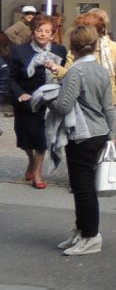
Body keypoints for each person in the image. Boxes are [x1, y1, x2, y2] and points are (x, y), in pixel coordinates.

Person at [50, 25, 116, 256]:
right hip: (99, 132)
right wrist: (111, 134)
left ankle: (90, 235)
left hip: (82, 133)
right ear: (96, 44)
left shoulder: (75, 71)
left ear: (72, 47)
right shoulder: (101, 70)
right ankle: (82, 231)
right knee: (83, 186)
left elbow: (63, 106)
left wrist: (48, 96)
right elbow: (108, 106)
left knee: (83, 187)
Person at [9, 14, 66, 189]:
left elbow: (66, 73)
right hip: (26, 100)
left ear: (52, 34)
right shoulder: (20, 51)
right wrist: (20, 94)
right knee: (25, 138)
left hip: (49, 101)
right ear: (33, 32)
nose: (43, 34)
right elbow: (11, 78)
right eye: (39, 30)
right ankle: (31, 161)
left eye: (47, 31)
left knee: (42, 138)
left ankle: (37, 173)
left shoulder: (60, 51)